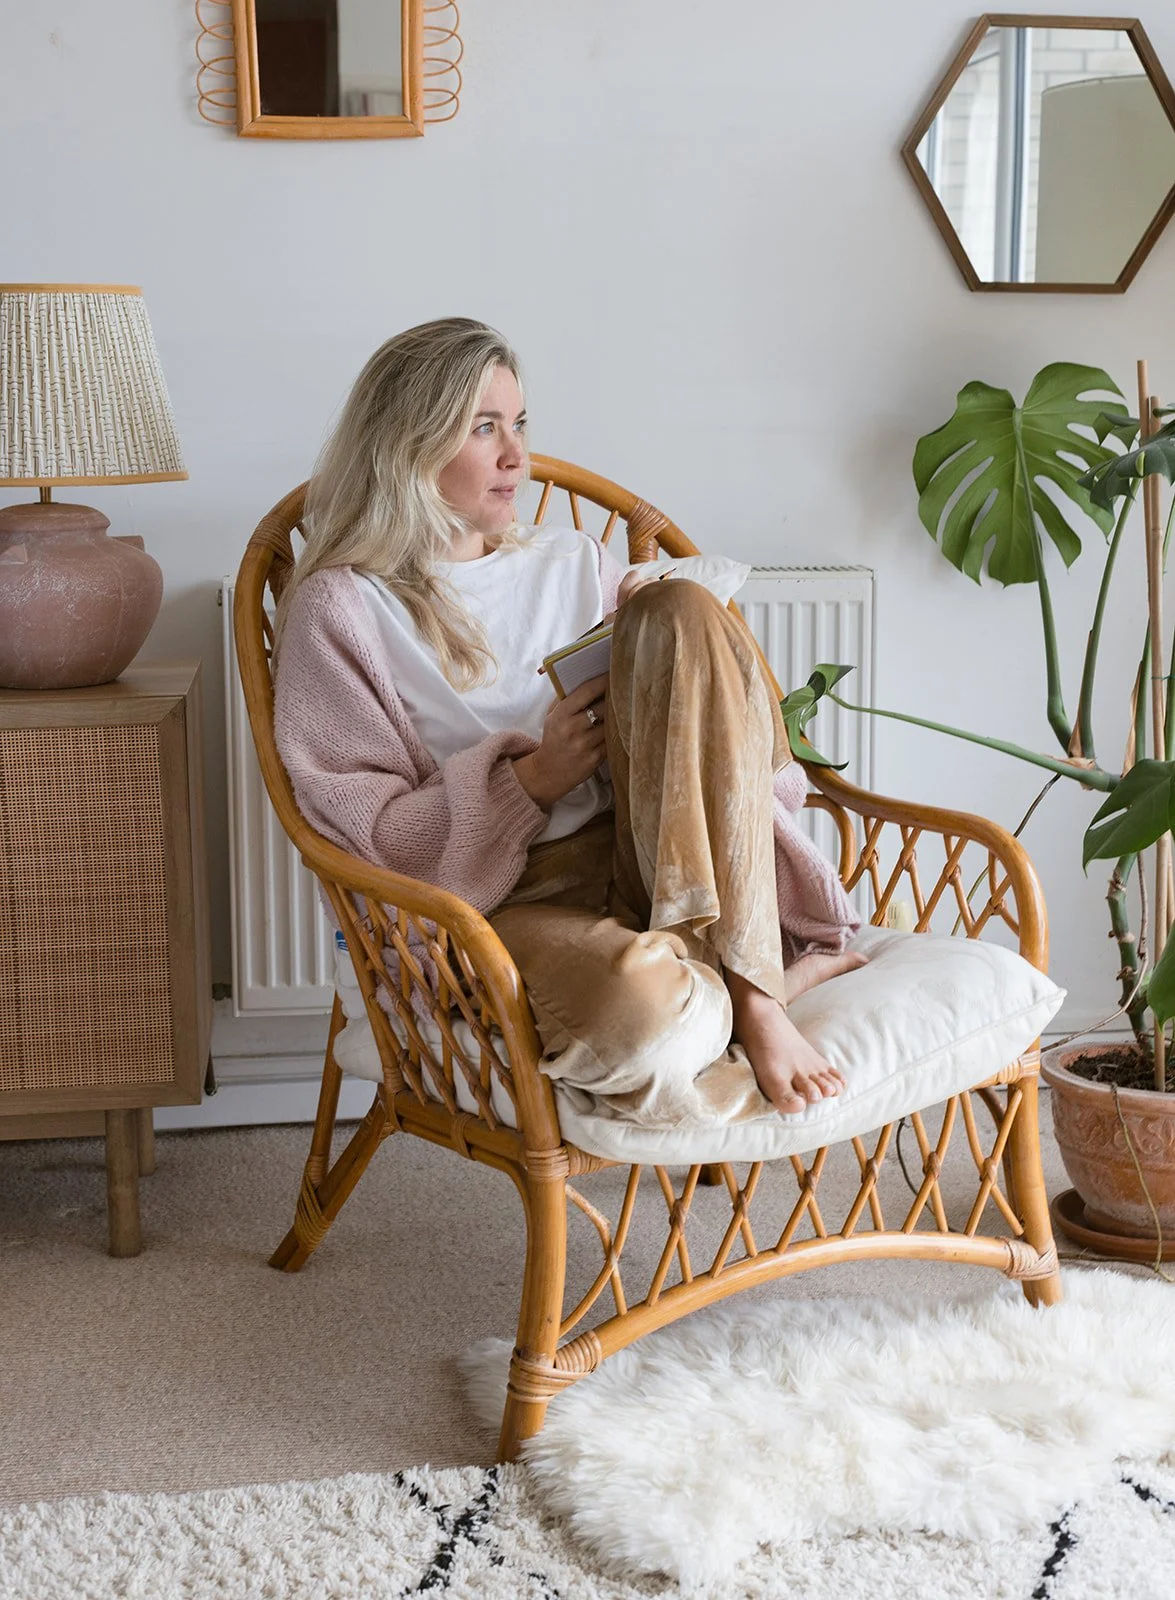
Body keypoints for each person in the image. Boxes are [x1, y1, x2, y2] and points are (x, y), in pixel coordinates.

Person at [273, 317, 863, 1130]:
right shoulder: (342, 609)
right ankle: (733, 979)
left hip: (652, 853)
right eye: (484, 427)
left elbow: (733, 761)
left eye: (518, 423)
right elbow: (363, 836)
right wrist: (528, 782)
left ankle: (754, 999)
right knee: (639, 1019)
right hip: (508, 901)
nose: (516, 455)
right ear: (406, 443)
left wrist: (651, 658)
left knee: (680, 608)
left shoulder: (574, 562)